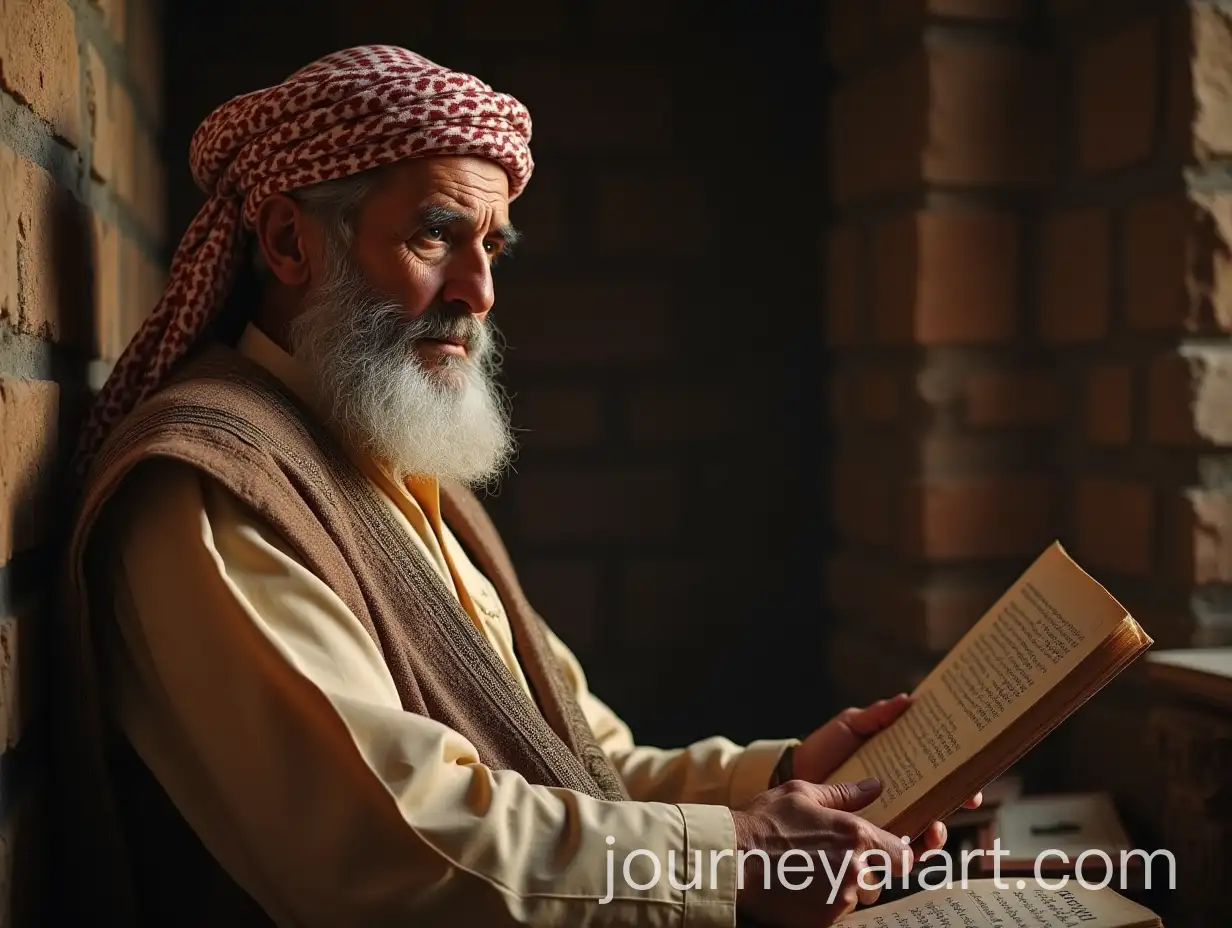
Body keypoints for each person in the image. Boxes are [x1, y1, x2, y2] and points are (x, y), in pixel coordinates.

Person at [55, 46, 978, 927]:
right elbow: (397, 851)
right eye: (436, 235)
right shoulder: (212, 489)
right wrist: (735, 857)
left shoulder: (384, 465)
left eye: (493, 246)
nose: (480, 291)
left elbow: (583, 764)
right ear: (290, 242)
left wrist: (789, 778)